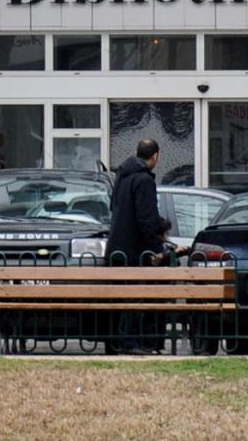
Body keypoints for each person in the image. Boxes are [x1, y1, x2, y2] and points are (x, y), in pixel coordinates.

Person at [105, 138, 167, 353]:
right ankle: (131, 342)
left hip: (117, 247)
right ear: (155, 157)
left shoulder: (122, 177)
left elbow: (116, 208)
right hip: (135, 250)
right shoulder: (143, 180)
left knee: (122, 297)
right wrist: (157, 247)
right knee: (135, 296)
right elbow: (146, 218)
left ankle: (119, 342)